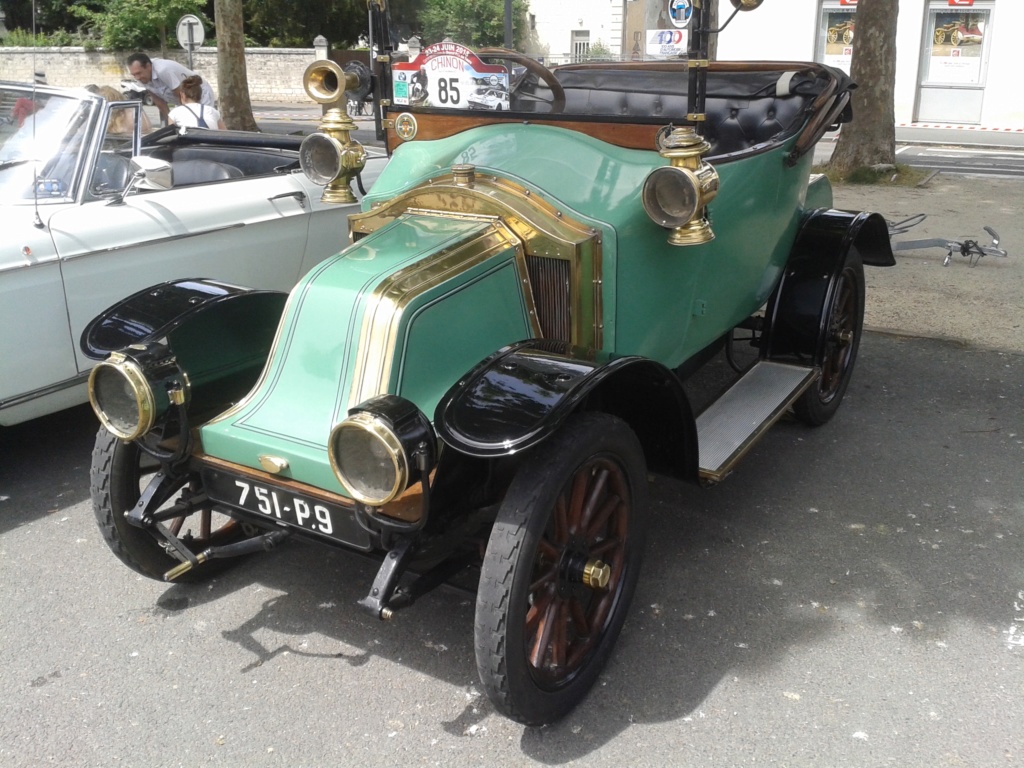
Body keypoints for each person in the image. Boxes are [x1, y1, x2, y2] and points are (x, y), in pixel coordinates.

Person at [126, 53, 215, 124]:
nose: (137, 78)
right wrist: (170, 123)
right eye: (134, 75)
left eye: (139, 73)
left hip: (200, 94)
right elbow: (159, 101)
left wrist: (187, 118)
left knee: (202, 123)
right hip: (182, 99)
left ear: (148, 66)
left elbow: (181, 94)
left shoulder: (164, 70)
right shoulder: (142, 77)